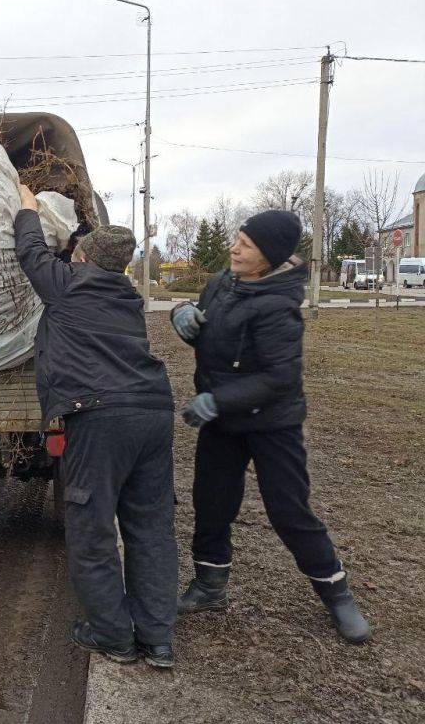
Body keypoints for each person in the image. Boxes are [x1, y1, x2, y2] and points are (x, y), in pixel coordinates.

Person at [171, 210, 372, 644]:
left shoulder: (279, 307)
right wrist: (182, 312)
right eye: (237, 240)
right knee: (211, 502)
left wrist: (217, 399)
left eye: (245, 245)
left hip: (272, 424)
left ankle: (337, 594)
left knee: (288, 511)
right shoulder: (224, 283)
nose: (234, 249)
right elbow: (201, 317)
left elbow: (280, 379)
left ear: (268, 256)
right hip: (224, 422)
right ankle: (209, 586)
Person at [13, 184, 178, 669]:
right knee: (150, 527)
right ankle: (157, 638)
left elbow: (30, 250)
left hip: (101, 417)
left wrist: (27, 207)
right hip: (152, 414)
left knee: (92, 528)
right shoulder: (128, 299)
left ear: (81, 257)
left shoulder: (68, 284)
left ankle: (112, 635)